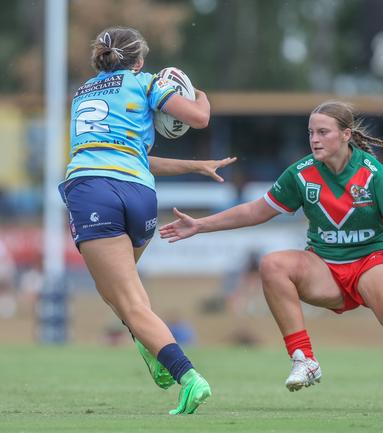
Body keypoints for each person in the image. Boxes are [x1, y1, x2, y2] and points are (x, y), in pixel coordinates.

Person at [160, 101, 383, 414]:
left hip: (373, 261)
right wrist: (200, 225)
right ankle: (304, 359)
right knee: (273, 265)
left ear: (346, 135)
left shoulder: (372, 172)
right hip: (324, 266)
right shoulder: (301, 173)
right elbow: (256, 210)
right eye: (311, 132)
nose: (315, 139)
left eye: (323, 132)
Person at [59, 27, 235, 415]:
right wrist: (198, 96)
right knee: (121, 293)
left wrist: (197, 104)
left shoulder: (82, 92)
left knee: (128, 300)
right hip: (140, 195)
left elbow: (194, 119)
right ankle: (149, 344)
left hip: (93, 190)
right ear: (138, 60)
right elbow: (198, 117)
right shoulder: (146, 81)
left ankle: (186, 375)